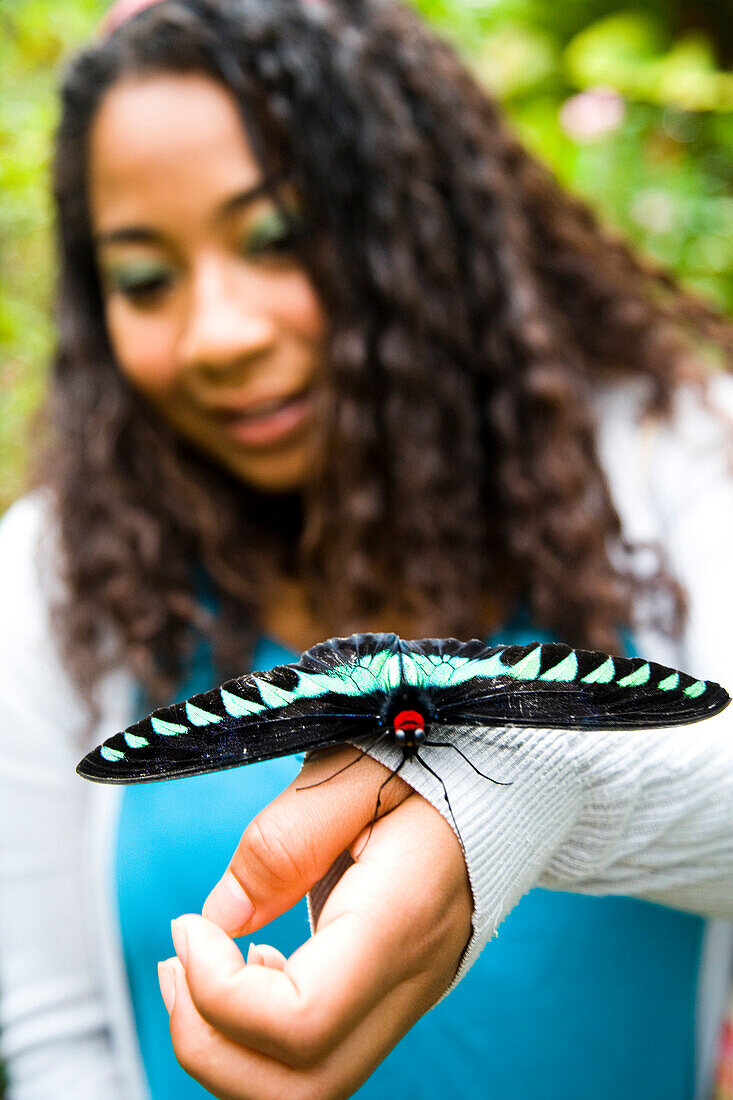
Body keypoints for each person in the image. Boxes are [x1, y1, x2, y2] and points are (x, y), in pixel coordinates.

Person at [1, 0, 732, 1097]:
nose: (221, 333)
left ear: (416, 221)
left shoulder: (673, 455)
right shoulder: (49, 578)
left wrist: (517, 799)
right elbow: (62, 1040)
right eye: (146, 278)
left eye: (279, 238)